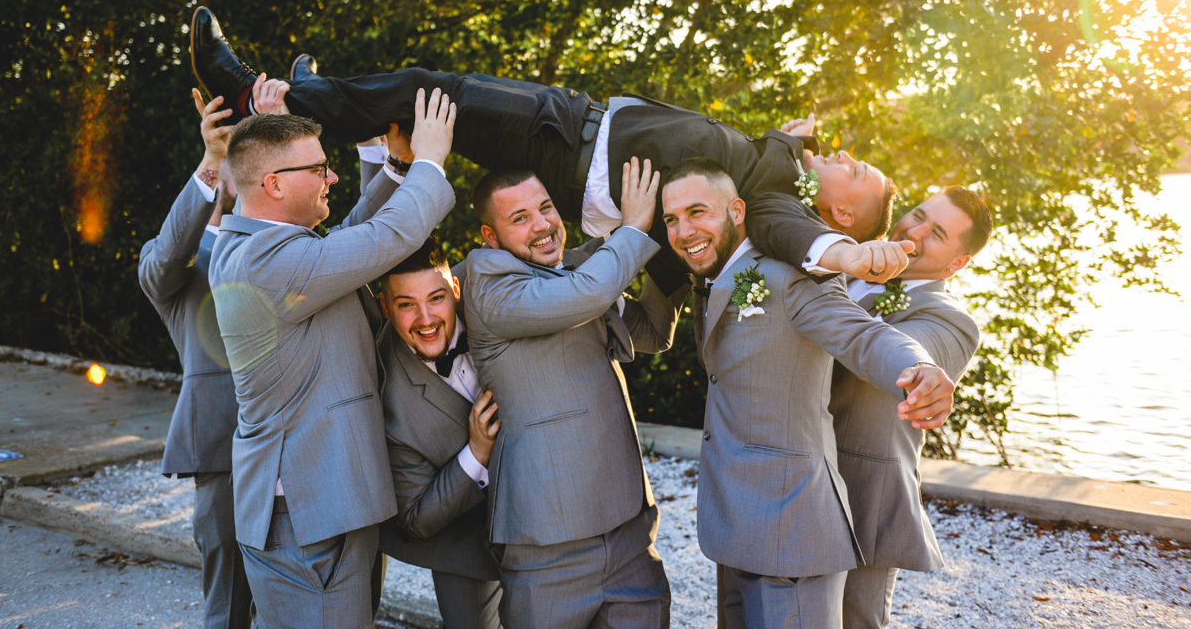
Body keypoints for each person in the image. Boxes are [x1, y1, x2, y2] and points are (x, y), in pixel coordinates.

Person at [188, 7, 913, 295]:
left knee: (424, 91)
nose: (847, 157)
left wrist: (849, 256)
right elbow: (786, 147)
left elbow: (798, 236)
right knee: (420, 93)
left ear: (841, 212)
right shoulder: (780, 161)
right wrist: (802, 135)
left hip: (570, 147)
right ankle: (320, 96)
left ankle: (261, 94)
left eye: (858, 173)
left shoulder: (782, 207)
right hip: (574, 125)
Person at [658, 157, 955, 629]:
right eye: (672, 219)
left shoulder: (790, 276)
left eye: (698, 212)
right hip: (732, 525)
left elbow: (860, 334)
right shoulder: (710, 275)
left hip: (792, 530)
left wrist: (917, 367)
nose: (683, 230)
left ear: (738, 211)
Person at [208, 91, 457, 629]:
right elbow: (383, 238)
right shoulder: (266, 262)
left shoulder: (261, 246)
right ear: (273, 184)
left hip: (319, 503)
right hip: (307, 518)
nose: (333, 177)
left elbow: (345, 239)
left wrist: (396, 168)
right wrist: (431, 161)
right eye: (319, 168)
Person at [460, 161, 688, 629]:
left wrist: (668, 247)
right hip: (546, 544)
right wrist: (632, 229)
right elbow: (586, 294)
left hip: (629, 531)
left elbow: (653, 332)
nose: (543, 225)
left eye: (545, 208)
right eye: (519, 218)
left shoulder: (584, 268)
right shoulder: (487, 280)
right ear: (490, 235)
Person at [831, 187, 992, 629]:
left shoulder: (950, 320)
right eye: (917, 214)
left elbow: (907, 355)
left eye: (936, 233)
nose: (913, 230)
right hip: (794, 477)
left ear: (957, 264)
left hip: (864, 498)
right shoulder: (845, 259)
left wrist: (917, 366)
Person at [138, 90, 254, 629]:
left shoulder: (281, 241)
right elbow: (164, 259)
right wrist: (210, 161)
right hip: (221, 452)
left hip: (298, 445)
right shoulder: (174, 266)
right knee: (227, 602)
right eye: (230, 163)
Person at [375, 236, 505, 629]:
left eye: (436, 298)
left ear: (456, 288)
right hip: (463, 537)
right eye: (406, 305)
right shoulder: (387, 397)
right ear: (385, 307)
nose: (426, 319)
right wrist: (476, 453)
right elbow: (417, 518)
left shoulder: (494, 290)